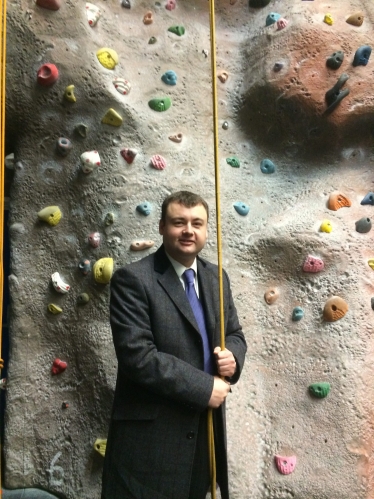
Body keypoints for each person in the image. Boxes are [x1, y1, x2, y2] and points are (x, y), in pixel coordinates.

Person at [101, 191, 247, 499]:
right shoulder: (133, 280)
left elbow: (234, 333)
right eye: (178, 222)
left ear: (206, 230)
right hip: (150, 447)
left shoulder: (216, 277)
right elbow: (138, 358)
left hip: (203, 439)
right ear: (162, 227)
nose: (188, 231)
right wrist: (205, 387)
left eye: (197, 223)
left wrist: (233, 356)